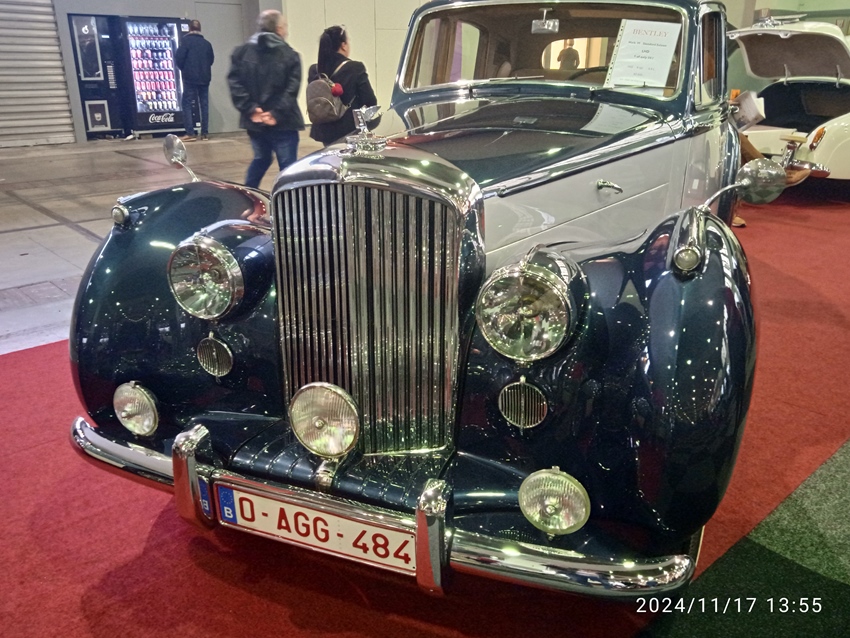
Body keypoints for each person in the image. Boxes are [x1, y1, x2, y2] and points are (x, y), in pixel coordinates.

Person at [228, 10, 304, 189]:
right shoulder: (290, 55)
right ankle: (288, 202)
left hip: (255, 123)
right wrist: (275, 113)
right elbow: (291, 90)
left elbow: (235, 84)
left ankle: (248, 196)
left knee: (261, 158)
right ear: (278, 29)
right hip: (284, 122)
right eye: (285, 27)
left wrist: (251, 109)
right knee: (288, 168)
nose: (286, 31)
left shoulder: (240, 53)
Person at [309, 26, 377, 147]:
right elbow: (369, 100)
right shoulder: (355, 68)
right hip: (348, 130)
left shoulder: (315, 70)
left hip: (323, 130)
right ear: (343, 45)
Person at [175, 19, 214, 141]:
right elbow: (211, 60)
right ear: (200, 29)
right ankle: (205, 133)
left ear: (189, 28)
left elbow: (179, 58)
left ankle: (190, 133)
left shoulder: (185, 42)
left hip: (190, 77)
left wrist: (184, 69)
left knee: (187, 103)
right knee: (204, 104)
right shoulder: (207, 44)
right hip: (205, 77)